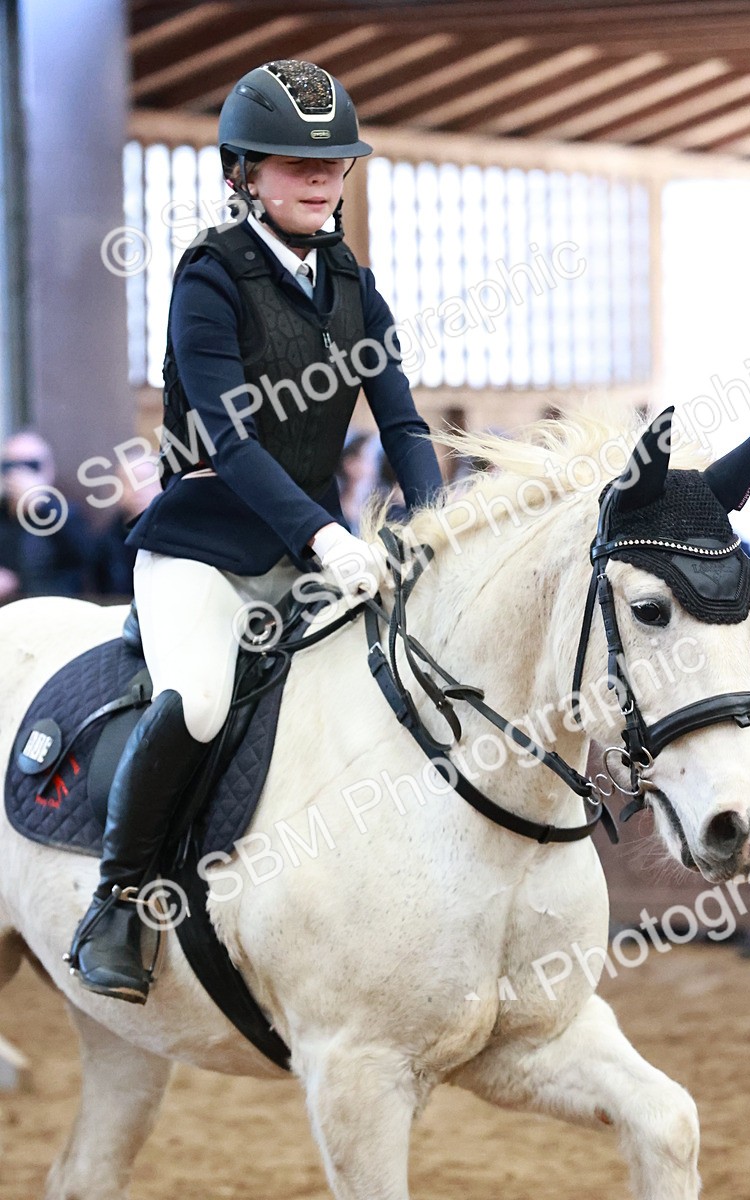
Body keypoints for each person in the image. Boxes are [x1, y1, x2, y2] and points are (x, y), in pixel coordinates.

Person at [68, 59, 442, 1003]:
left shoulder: (352, 282)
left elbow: (401, 422)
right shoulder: (210, 276)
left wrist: (438, 523)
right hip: (205, 551)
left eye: (333, 162)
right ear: (243, 171)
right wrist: (325, 537)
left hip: (311, 551)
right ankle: (117, 901)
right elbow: (229, 440)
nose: (319, 177)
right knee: (199, 700)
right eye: (291, 162)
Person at [0, 430, 91, 601]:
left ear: (49, 470)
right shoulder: (3, 515)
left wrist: (40, 505)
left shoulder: (68, 514)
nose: (19, 474)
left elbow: (86, 558)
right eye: (10, 466)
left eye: (31, 465)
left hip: (56, 610)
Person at [91, 458, 162, 598]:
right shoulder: (106, 541)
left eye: (146, 481)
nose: (137, 490)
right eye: (128, 482)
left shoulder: (175, 537)